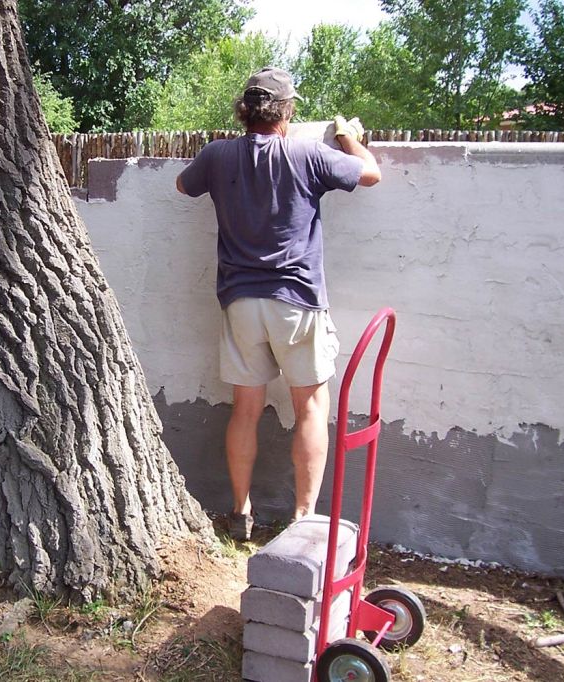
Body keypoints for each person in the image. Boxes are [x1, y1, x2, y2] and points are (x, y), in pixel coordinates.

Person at [175, 67, 381, 540]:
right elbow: (371, 174)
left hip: (241, 303)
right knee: (309, 409)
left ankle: (241, 512)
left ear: (243, 112)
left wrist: (223, 162)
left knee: (244, 409)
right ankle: (302, 520)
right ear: (286, 112)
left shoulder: (218, 154)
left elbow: (183, 186)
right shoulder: (309, 153)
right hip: (298, 301)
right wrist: (348, 138)